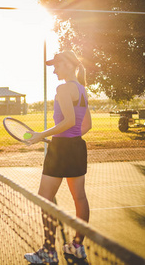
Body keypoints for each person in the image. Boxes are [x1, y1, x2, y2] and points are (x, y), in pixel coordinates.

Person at [24, 50, 92, 264]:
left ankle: (48, 251)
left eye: (57, 65)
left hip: (61, 149)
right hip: (77, 147)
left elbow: (70, 121)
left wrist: (40, 136)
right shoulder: (82, 90)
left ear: (69, 65)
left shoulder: (63, 89)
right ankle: (77, 246)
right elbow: (86, 125)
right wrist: (69, 139)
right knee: (79, 197)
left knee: (45, 199)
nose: (54, 70)